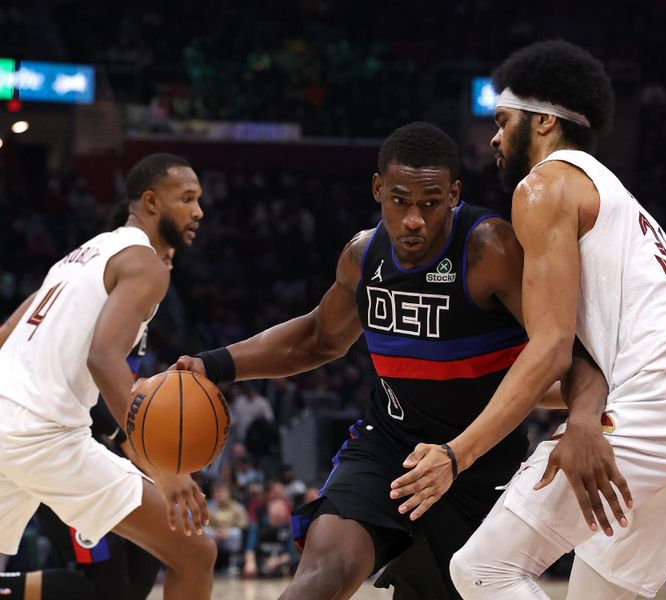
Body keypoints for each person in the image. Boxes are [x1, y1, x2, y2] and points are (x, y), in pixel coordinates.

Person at [173, 121, 609, 599]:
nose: (414, 219)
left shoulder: (491, 251)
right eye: (400, 200)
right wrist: (212, 364)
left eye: (430, 202)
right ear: (378, 189)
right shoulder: (363, 256)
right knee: (323, 575)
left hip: (480, 464)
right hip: (389, 449)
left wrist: (586, 418)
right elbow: (318, 337)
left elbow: (568, 348)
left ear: (454, 194)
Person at [394, 41, 666, 600]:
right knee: (600, 591)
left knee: (483, 569)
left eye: (504, 121)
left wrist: (459, 452)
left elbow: (552, 348)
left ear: (545, 122)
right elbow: (573, 362)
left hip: (661, 389)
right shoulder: (613, 193)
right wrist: (577, 413)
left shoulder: (545, 185)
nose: (495, 137)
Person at [0, 153, 217, 599]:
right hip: (44, 435)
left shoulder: (78, 256)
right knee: (196, 554)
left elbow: (5, 334)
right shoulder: (145, 264)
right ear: (152, 202)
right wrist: (161, 465)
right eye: (188, 199)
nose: (198, 211)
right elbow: (104, 358)